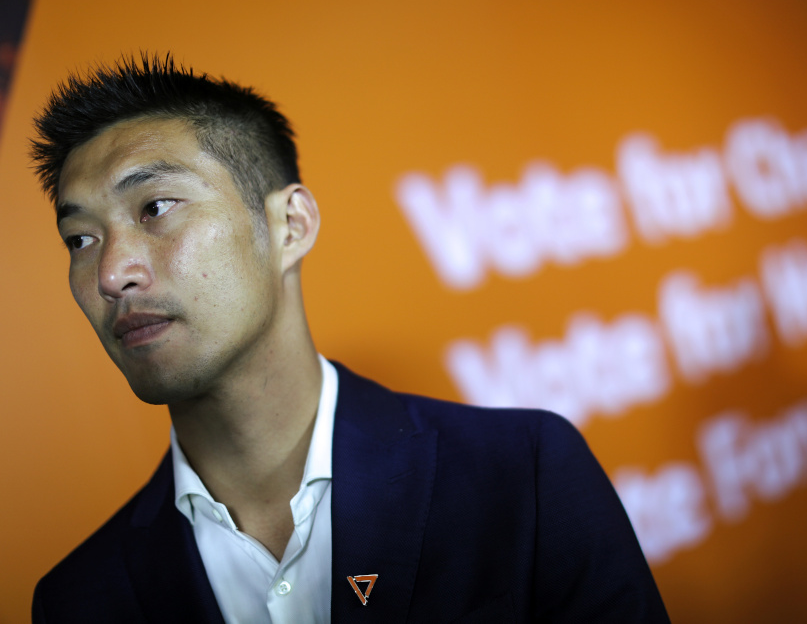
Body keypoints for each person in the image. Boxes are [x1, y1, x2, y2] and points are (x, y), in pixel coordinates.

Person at [29, 54, 670, 623]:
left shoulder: (522, 477)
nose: (112, 273)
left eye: (156, 209)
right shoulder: (80, 599)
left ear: (291, 224)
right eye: (80, 239)